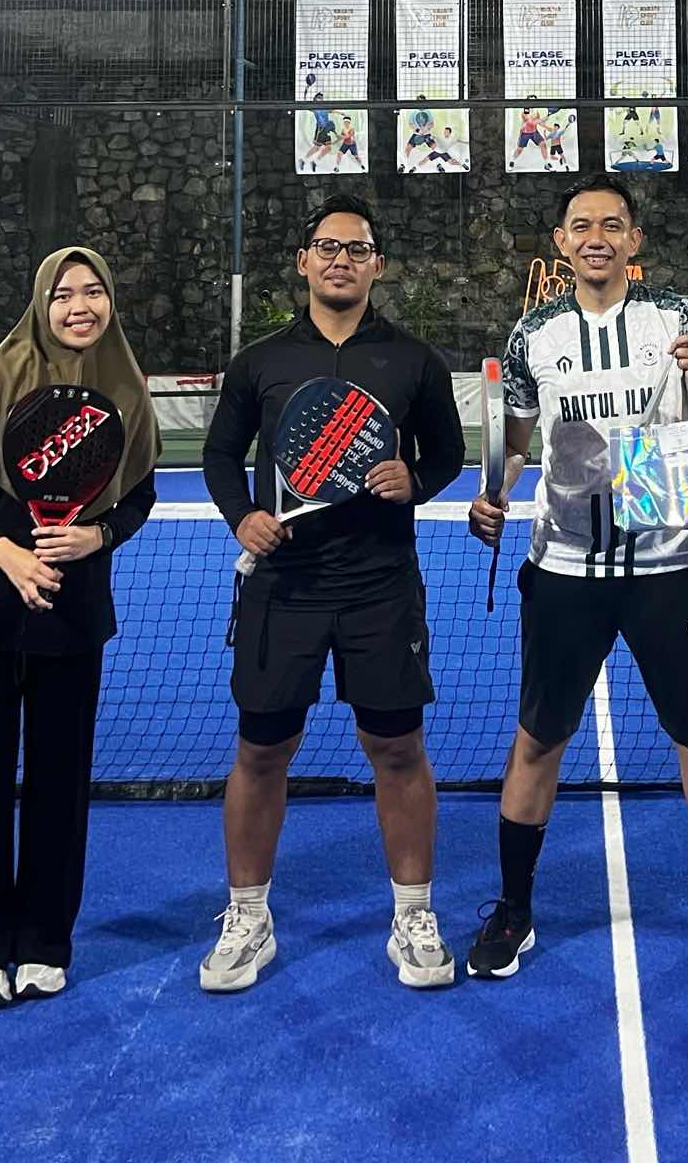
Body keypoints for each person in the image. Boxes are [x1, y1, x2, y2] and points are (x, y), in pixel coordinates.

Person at [466, 178, 688, 980]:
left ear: (634, 241)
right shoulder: (533, 334)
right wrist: (492, 493)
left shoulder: (679, 318)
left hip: (667, 570)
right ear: (561, 242)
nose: (597, 237)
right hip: (564, 570)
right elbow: (515, 442)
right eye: (582, 225)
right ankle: (513, 909)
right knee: (539, 738)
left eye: (612, 224)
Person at [202, 195, 466, 992]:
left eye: (356, 249)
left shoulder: (413, 361)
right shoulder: (260, 362)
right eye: (327, 247)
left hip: (381, 588)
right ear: (303, 261)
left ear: (377, 265)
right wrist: (243, 516)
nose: (341, 260)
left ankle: (413, 914)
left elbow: (447, 454)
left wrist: (415, 480)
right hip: (283, 588)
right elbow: (220, 455)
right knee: (261, 751)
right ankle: (248, 917)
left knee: (398, 749)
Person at [0, 247, 160, 1010]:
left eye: (93, 292)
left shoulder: (126, 390)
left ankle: (44, 941)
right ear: (41, 303)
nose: (79, 306)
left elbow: (139, 496)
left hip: (73, 610)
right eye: (63, 294)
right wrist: (7, 554)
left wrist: (99, 537)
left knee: (61, 781)